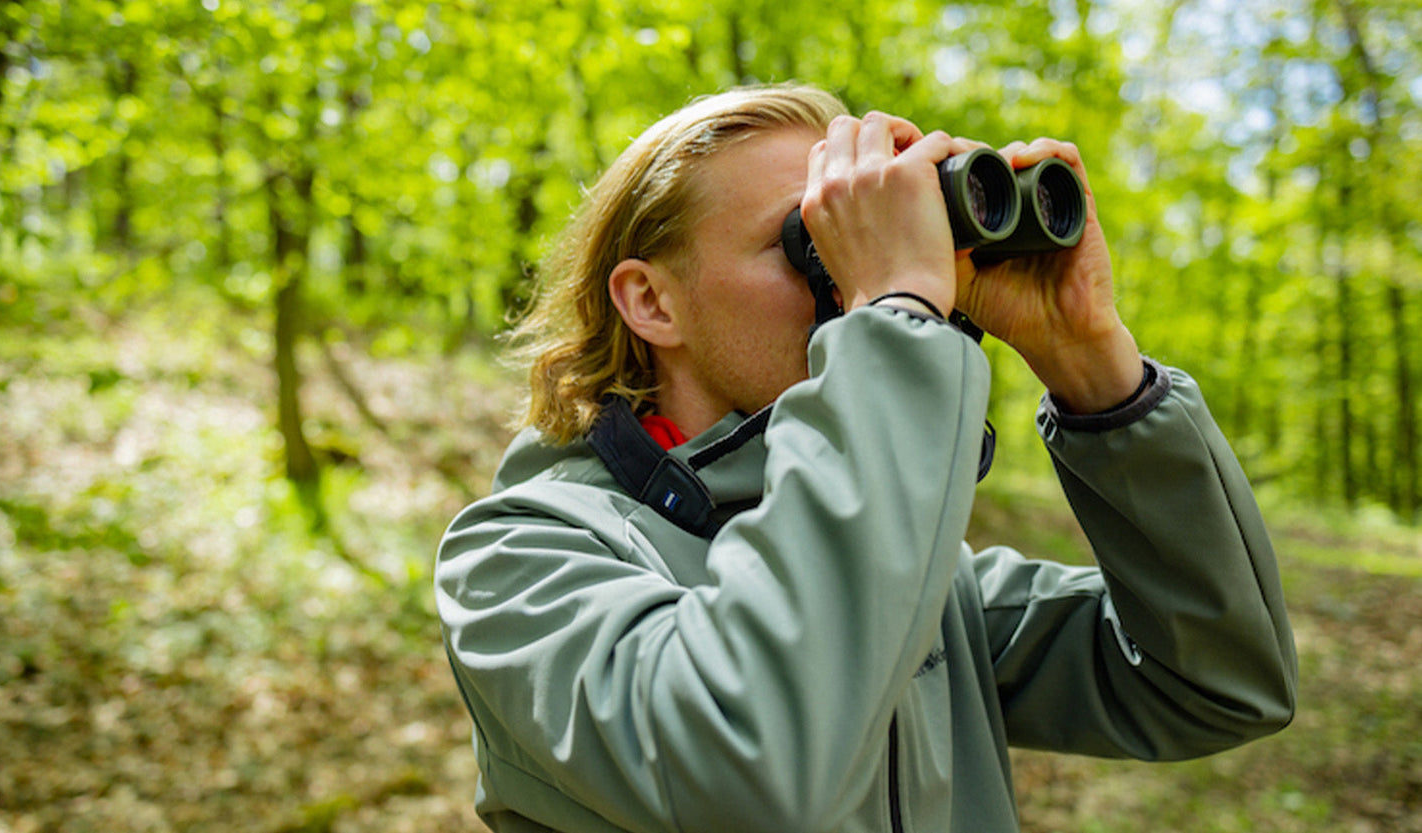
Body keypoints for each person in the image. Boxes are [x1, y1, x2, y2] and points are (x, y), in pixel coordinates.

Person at [434, 83, 1297, 833]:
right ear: (652, 300)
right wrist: (893, 312)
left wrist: (1091, 363)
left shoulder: (918, 574)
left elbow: (1218, 681)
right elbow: (755, 763)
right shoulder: (518, 560)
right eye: (809, 240)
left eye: (856, 229)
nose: (849, 276)